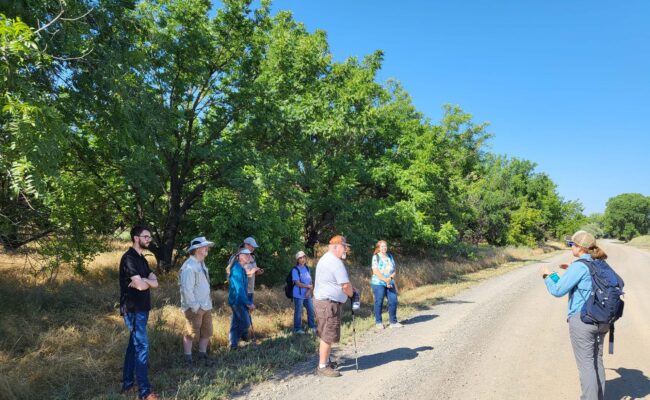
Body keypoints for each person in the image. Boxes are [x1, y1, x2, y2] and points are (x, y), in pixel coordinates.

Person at [540, 230, 611, 400]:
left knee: (586, 365)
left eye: (572, 244)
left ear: (579, 247)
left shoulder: (580, 266)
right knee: (597, 361)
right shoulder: (600, 263)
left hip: (583, 320)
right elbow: (577, 283)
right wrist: (570, 269)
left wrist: (546, 275)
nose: (571, 247)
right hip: (603, 320)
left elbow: (558, 290)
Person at [119, 225, 159, 400]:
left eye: (149, 237)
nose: (149, 240)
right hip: (133, 309)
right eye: (146, 237)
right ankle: (145, 392)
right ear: (136, 238)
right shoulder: (128, 259)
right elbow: (143, 286)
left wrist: (143, 280)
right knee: (141, 346)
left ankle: (128, 384)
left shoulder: (142, 259)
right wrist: (145, 281)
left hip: (143, 308)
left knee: (133, 347)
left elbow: (155, 282)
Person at [313, 235, 354, 377]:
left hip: (323, 302)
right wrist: (351, 294)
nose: (346, 250)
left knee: (325, 332)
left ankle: (326, 361)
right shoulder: (335, 262)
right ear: (336, 246)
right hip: (327, 304)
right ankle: (323, 366)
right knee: (328, 335)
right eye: (344, 246)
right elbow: (345, 285)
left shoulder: (326, 259)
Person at [179, 236, 215, 368]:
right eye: (204, 246)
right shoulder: (189, 266)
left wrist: (205, 305)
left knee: (207, 332)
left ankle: (202, 356)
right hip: (195, 307)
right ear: (196, 249)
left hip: (206, 305)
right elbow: (187, 290)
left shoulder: (201, 263)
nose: (207, 248)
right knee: (190, 333)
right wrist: (195, 307)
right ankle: (188, 360)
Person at [370, 240, 402, 329]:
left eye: (385, 246)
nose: (384, 248)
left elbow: (394, 270)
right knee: (379, 302)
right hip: (378, 283)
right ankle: (379, 322)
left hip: (389, 281)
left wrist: (390, 279)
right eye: (382, 246)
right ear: (378, 248)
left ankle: (393, 322)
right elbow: (375, 271)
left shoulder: (390, 257)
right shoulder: (376, 257)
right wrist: (385, 280)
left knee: (393, 301)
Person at [228, 248, 256, 349]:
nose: (249, 257)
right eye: (247, 255)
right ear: (240, 256)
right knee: (245, 323)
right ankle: (238, 342)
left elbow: (243, 289)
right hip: (237, 300)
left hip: (238, 300)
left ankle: (233, 345)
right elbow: (239, 289)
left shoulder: (240, 268)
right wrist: (248, 303)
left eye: (250, 255)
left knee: (236, 323)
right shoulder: (236, 269)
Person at [226, 236, 264, 303]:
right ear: (246, 245)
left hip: (250, 290)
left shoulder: (251, 257)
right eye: (252, 246)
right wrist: (252, 271)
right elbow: (237, 274)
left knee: (244, 312)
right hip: (241, 291)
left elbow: (252, 271)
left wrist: (257, 271)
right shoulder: (237, 257)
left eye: (254, 247)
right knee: (242, 311)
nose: (253, 248)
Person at [292, 250, 316, 334]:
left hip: (307, 294)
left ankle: (312, 326)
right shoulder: (295, 270)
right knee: (298, 311)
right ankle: (297, 329)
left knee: (311, 309)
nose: (302, 259)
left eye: (303, 257)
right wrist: (308, 287)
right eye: (300, 258)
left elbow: (310, 281)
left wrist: (309, 290)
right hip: (298, 295)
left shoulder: (307, 268)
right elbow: (297, 283)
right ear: (297, 260)